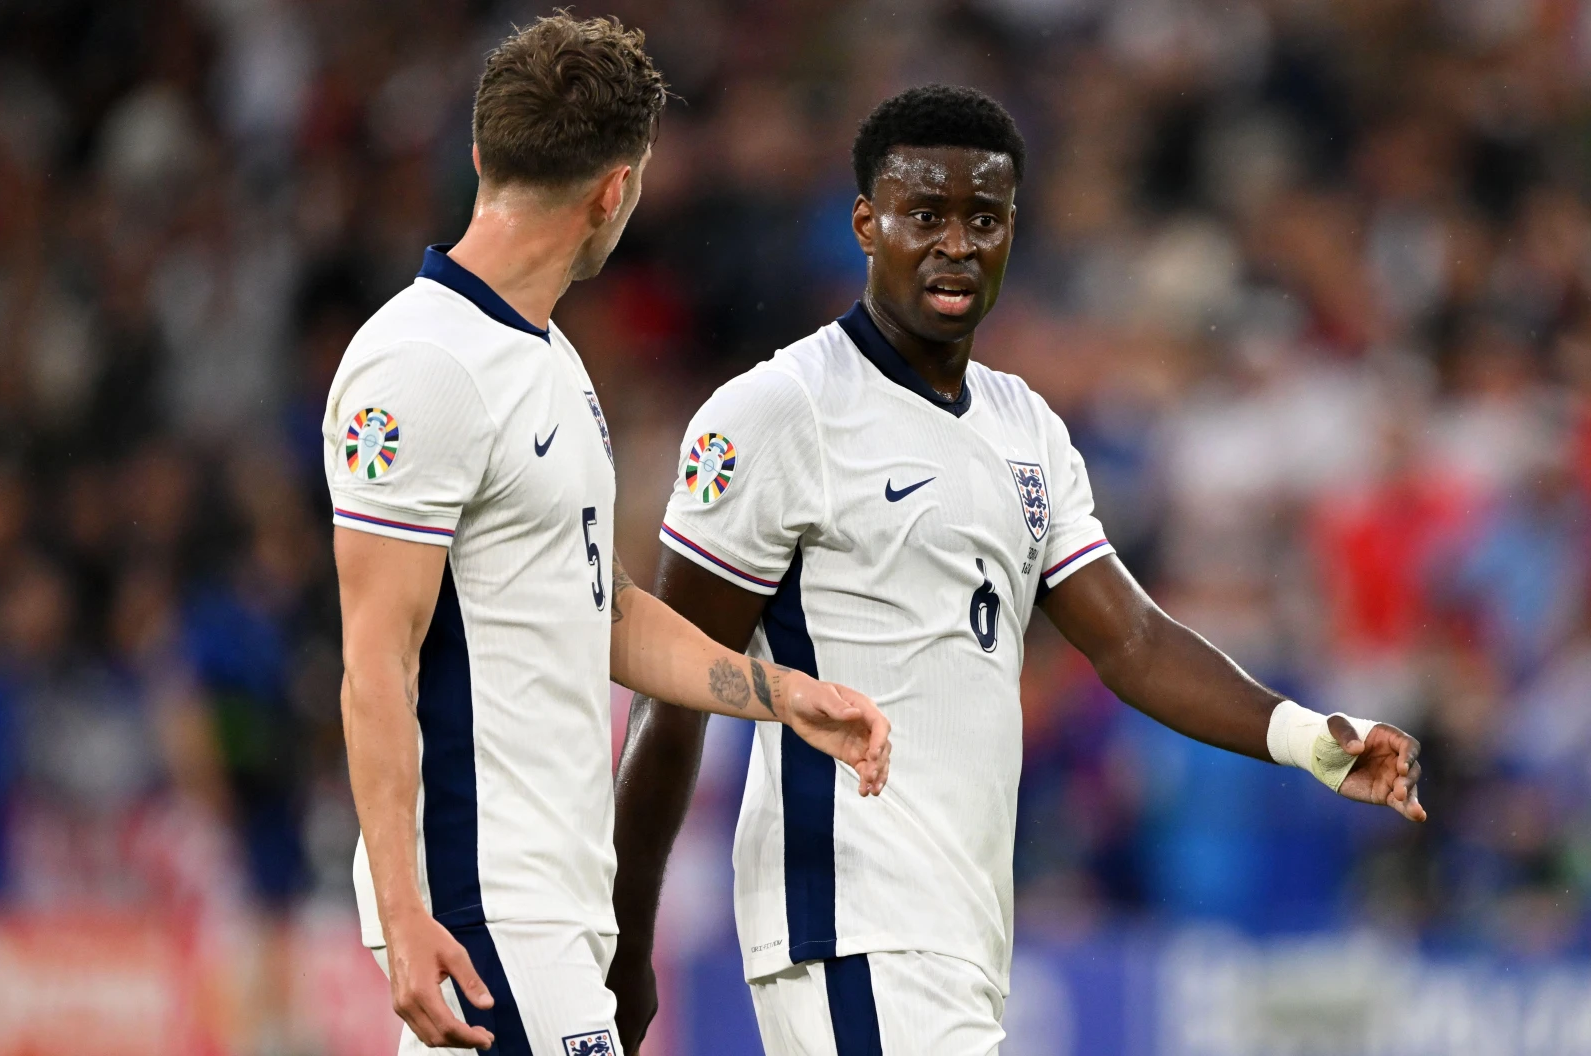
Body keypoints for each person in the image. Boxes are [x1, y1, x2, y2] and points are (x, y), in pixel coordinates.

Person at [607, 84, 1425, 1055]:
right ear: (867, 225)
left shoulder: (1023, 427)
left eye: (983, 219)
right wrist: (625, 941)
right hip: (849, 921)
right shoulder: (777, 414)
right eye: (925, 215)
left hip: (963, 936)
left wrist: (1310, 740)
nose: (956, 243)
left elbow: (1129, 639)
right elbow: (674, 682)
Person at [327, 16, 890, 1056]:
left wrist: (780, 695)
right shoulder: (421, 366)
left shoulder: (545, 358)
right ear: (614, 191)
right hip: (485, 905)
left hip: (542, 903)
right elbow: (375, 658)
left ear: (481, 156)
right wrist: (408, 913)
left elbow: (602, 606)